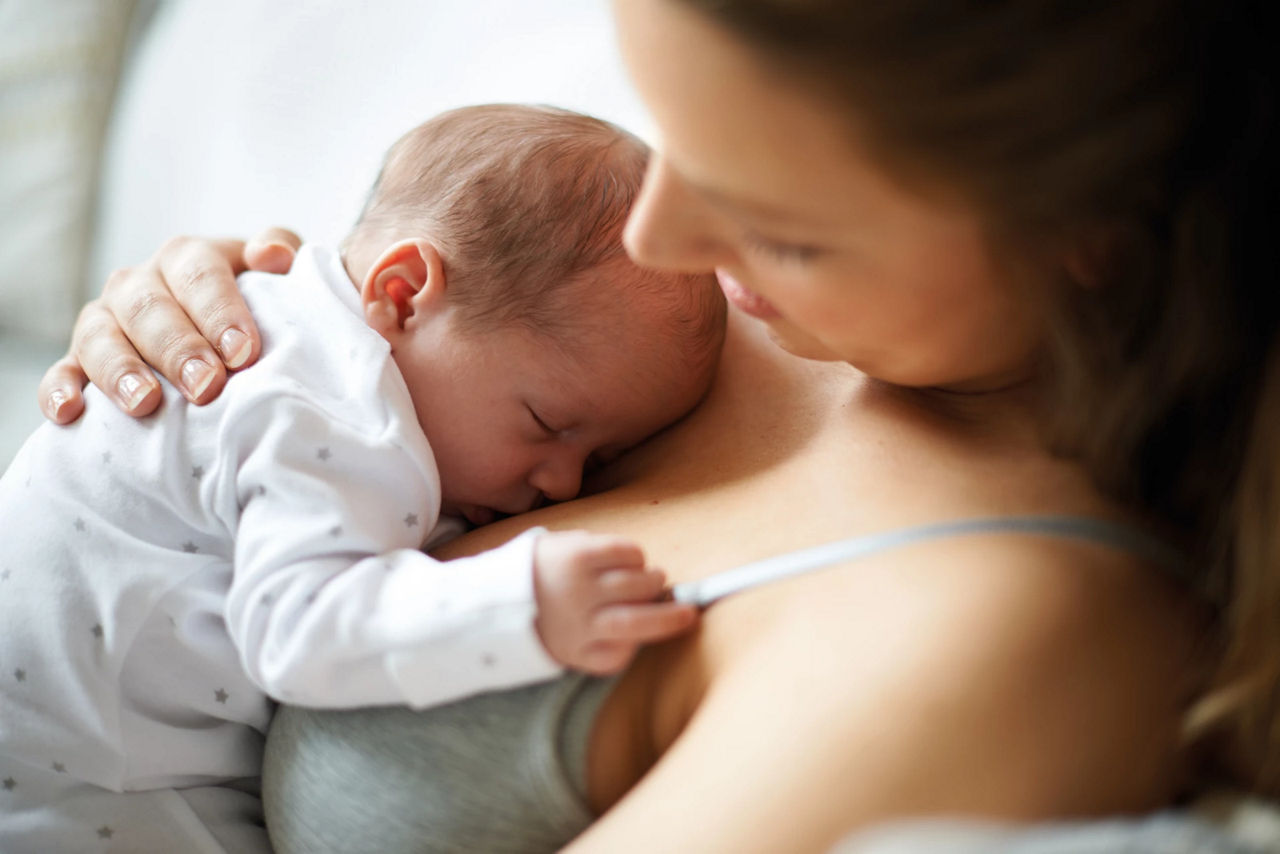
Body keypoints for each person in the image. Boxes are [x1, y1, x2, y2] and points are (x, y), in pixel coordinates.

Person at [34, 0, 1277, 852]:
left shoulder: (1010, 643)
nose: (656, 242)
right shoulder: (680, 289)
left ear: (1092, 243)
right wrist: (216, 344)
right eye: (671, 126)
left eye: (777, 217)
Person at [0, 103, 723, 853]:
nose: (567, 485)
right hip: (83, 789)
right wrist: (520, 604)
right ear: (404, 293)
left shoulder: (291, 321)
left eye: (599, 459)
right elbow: (301, 629)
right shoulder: (338, 411)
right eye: (547, 424)